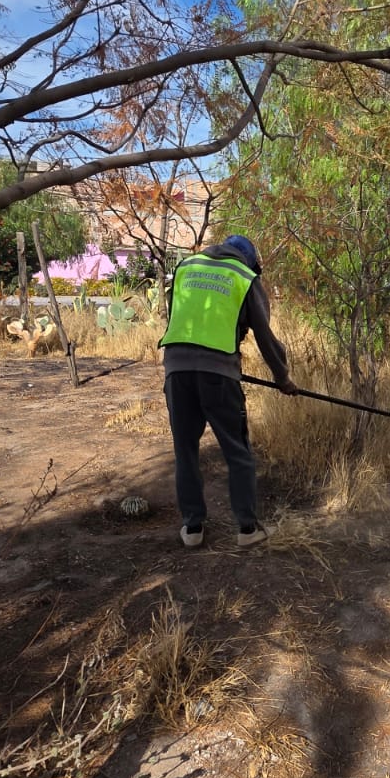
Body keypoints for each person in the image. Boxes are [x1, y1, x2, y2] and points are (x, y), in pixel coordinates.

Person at [158, 234, 296, 548]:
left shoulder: (186, 267)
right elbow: (264, 335)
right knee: (237, 451)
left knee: (185, 451)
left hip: (176, 372)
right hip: (218, 376)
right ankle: (247, 529)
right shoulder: (244, 276)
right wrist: (283, 378)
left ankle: (192, 528)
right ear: (251, 260)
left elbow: (182, 319)